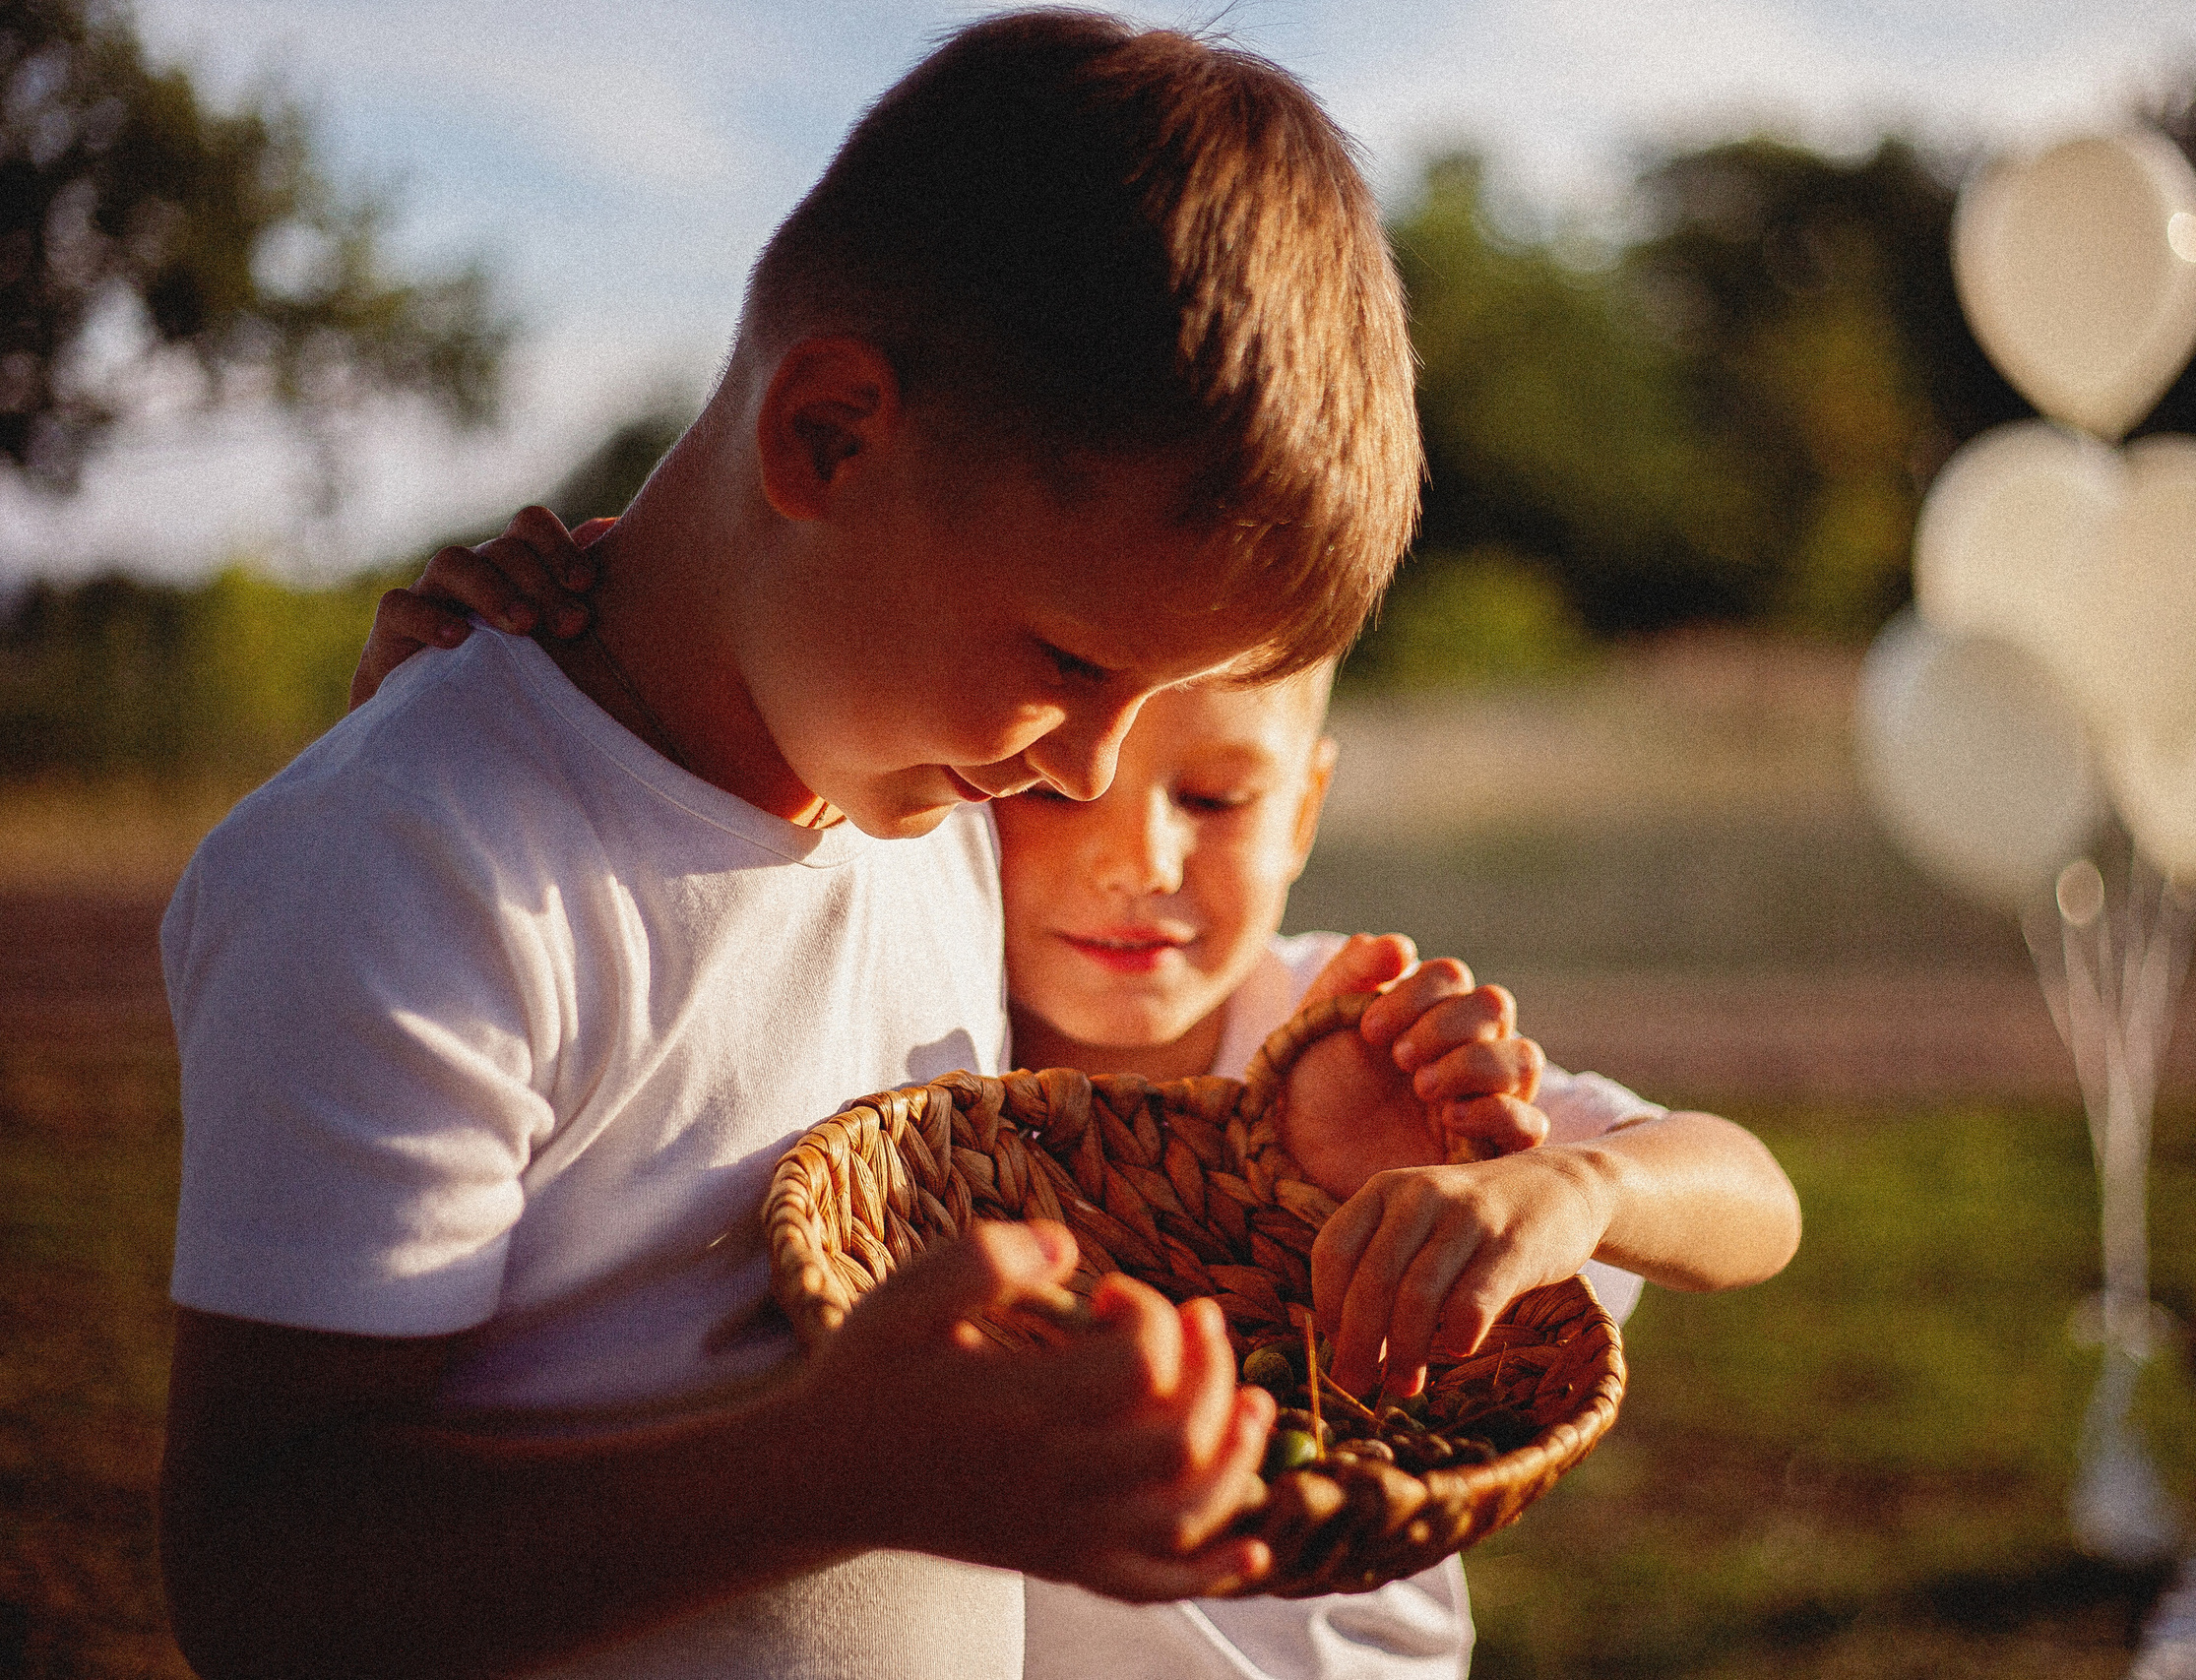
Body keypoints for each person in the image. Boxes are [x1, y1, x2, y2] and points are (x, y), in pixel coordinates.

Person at [155, 15, 1553, 1680]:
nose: (1091, 774)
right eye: (1072, 663)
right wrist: (836, 1471)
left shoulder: (923, 805)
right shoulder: (421, 869)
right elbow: (262, 1584)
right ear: (830, 436)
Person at [354, 633, 1804, 1680]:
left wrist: (1573, 1184)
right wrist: (458, 696)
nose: (1139, 862)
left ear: (1304, 808)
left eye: (1219, 798)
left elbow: (1757, 1200)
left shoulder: (1360, 1045)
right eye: (1054, 793)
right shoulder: (914, 1054)